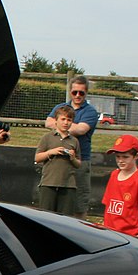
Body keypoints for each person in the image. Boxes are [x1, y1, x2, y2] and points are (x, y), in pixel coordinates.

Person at [44, 76, 100, 218]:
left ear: (86, 93)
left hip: (80, 161)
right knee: (54, 202)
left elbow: (81, 130)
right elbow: (47, 122)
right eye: (75, 92)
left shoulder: (90, 112)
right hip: (57, 161)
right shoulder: (60, 107)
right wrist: (71, 126)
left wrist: (60, 124)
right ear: (70, 92)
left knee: (79, 204)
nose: (77, 96)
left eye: (81, 93)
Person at [100, 134, 138, 238]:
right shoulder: (114, 175)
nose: (120, 160)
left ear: (136, 156)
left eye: (125, 157)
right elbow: (108, 204)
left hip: (129, 235)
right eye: (118, 157)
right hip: (109, 231)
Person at [34, 106, 81, 215]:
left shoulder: (74, 141)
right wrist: (51, 152)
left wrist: (73, 158)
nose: (66, 123)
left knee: (66, 218)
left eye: (69, 120)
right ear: (56, 121)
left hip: (68, 185)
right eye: (63, 119)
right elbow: (37, 158)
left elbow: (78, 164)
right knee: (46, 216)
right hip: (49, 183)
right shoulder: (47, 137)